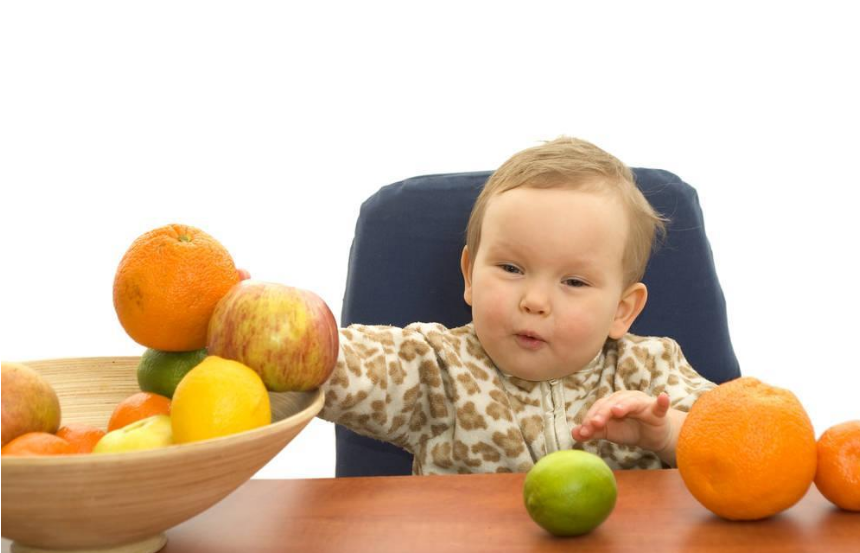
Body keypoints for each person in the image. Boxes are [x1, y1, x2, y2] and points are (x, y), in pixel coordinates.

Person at [319, 137, 716, 474]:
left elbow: (737, 440)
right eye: (511, 268)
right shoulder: (434, 368)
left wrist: (667, 434)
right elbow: (331, 362)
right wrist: (264, 322)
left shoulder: (651, 368)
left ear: (622, 310)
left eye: (574, 281)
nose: (535, 301)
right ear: (471, 275)